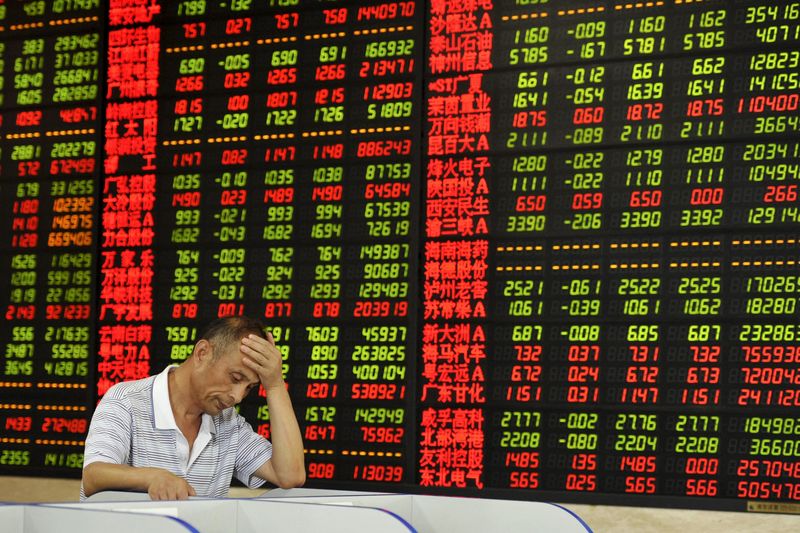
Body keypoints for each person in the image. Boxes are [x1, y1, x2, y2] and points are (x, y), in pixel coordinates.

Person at [81, 316, 305, 500]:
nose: (237, 397)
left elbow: (290, 475)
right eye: (235, 377)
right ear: (202, 353)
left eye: (249, 388)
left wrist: (275, 384)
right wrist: (153, 477)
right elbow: (94, 476)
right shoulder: (126, 400)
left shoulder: (229, 423)